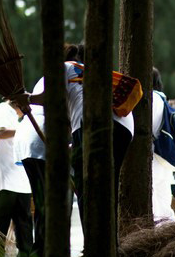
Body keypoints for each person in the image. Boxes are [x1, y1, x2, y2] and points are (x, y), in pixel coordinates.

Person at [12, 44, 134, 233]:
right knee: (108, 189)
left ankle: (93, 249)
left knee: (86, 187)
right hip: (125, 129)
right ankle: (111, 245)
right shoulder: (92, 72)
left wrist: (26, 99)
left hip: (91, 124)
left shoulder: (65, 67)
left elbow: (51, 96)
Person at [0, 101, 33, 257]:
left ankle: (26, 256)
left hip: (18, 173)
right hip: (4, 174)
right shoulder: (0, 110)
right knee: (1, 217)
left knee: (23, 218)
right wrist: (25, 129)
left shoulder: (12, 114)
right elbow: (1, 132)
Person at [13, 77, 47, 257]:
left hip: (28, 141)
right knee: (47, 202)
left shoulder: (45, 77)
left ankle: (39, 253)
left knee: (42, 201)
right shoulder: (69, 74)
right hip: (39, 141)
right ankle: (41, 254)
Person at [151, 67, 175, 222]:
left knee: (153, 194)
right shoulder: (162, 99)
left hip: (154, 153)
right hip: (163, 155)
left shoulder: (152, 99)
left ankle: (156, 231)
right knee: (163, 196)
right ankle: (168, 229)